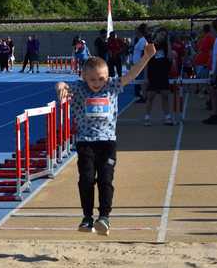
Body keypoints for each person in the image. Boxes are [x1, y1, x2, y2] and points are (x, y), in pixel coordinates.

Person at [55, 43, 157, 236]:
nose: (97, 82)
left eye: (101, 78)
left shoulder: (112, 86)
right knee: (86, 179)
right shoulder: (79, 88)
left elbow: (131, 75)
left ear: (107, 77)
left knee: (105, 180)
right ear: (84, 76)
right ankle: (87, 218)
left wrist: (146, 58)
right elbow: (63, 85)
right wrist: (59, 86)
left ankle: (104, 218)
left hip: (107, 142)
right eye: (92, 79)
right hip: (85, 142)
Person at [144, 28, 174, 126]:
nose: (162, 36)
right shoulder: (150, 46)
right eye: (161, 34)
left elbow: (170, 57)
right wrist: (146, 77)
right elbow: (146, 62)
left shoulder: (166, 46)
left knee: (165, 95)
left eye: (164, 35)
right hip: (153, 74)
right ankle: (147, 117)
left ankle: (167, 117)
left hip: (163, 74)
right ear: (156, 34)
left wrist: (168, 42)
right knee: (150, 96)